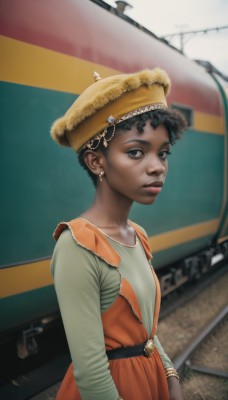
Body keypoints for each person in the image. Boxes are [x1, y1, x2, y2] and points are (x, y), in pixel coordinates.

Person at [50, 68, 187, 400]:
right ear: (97, 162)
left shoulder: (137, 235)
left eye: (163, 152)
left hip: (151, 382)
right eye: (136, 152)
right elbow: (91, 370)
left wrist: (170, 375)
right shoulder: (77, 246)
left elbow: (145, 332)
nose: (157, 166)